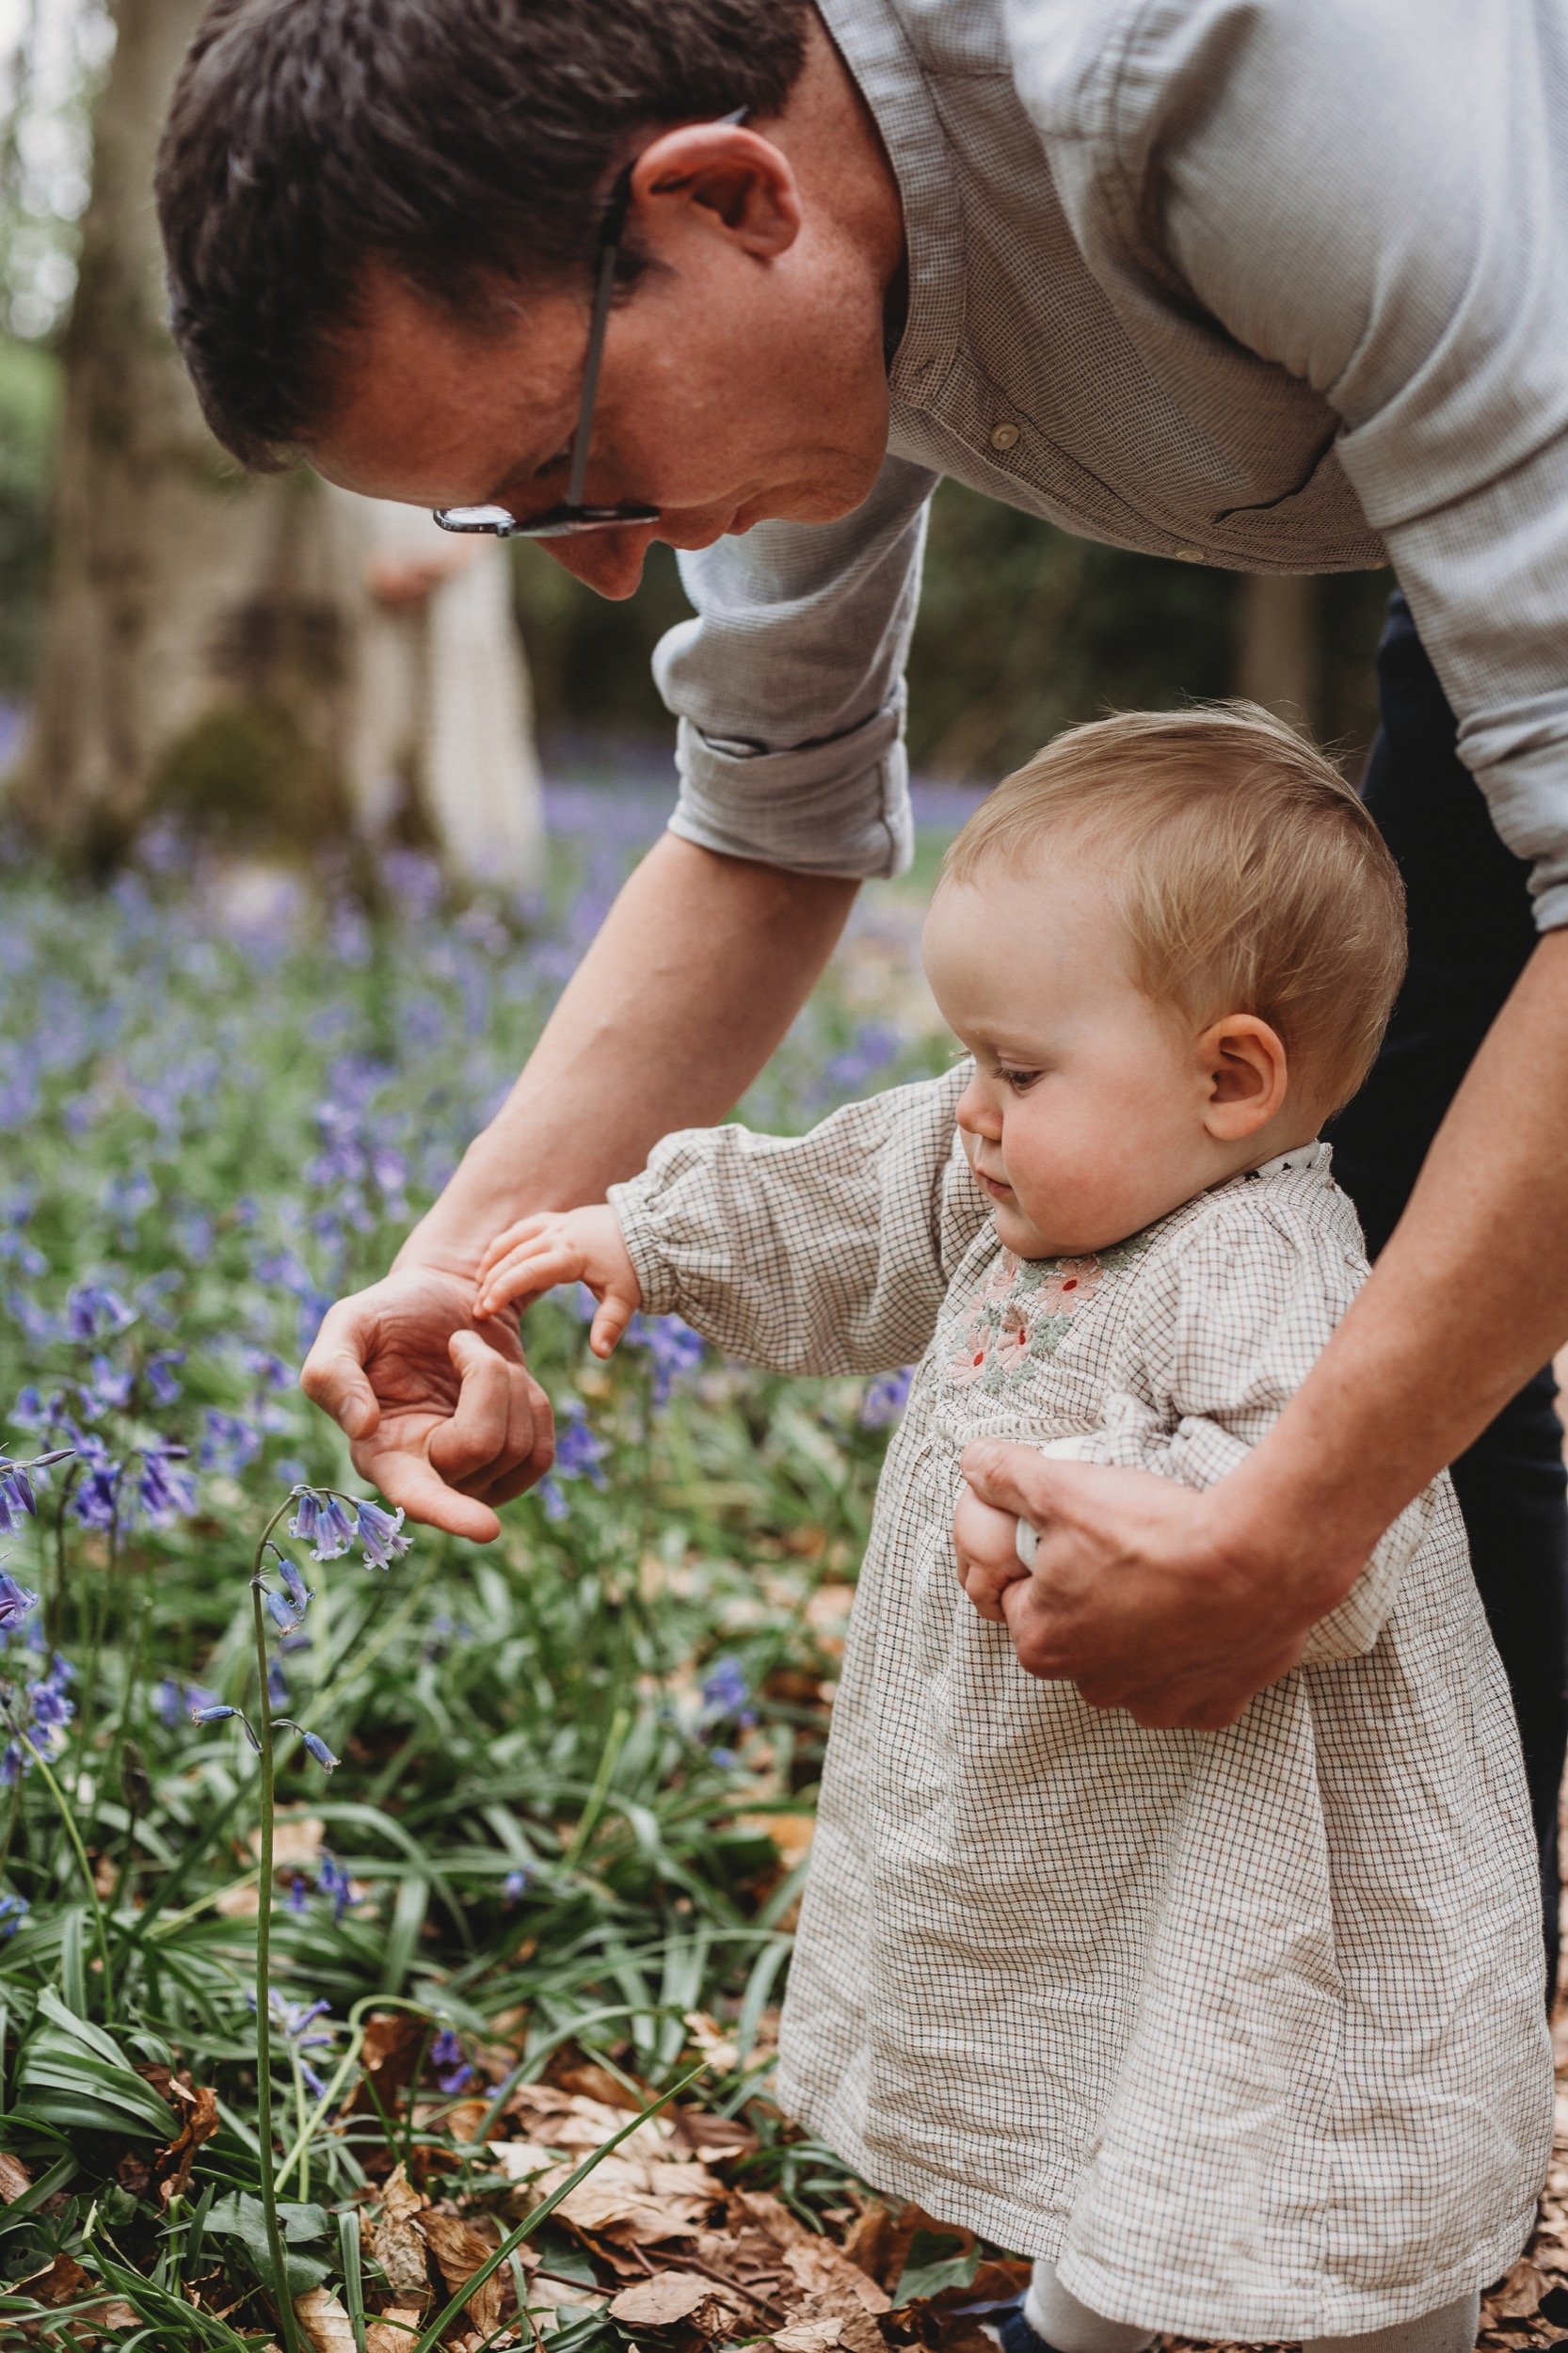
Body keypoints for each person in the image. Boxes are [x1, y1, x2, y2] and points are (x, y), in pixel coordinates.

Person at [153, 0, 1568, 1954]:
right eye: (519, 522)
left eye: (566, 471)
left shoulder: (1227, 66)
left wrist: (1292, 1517)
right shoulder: (787, 252)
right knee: (1383, 1211)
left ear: (723, 196)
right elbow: (765, 817)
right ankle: (1339, 2090)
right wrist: (462, 1264)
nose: (594, 569)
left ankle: (1385, 2126)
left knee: (1394, 1281)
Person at [464, 708, 1555, 2353]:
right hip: (1090, 1803)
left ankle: (1400, 2330)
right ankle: (1076, 2311)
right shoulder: (1009, 1168)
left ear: (1229, 1076)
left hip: (1263, 1844)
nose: (966, 1109)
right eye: (968, 1054)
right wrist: (645, 1233)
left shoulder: (1264, 1271)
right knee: (1109, 2056)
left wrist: (1120, 1516)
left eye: (1016, 1068)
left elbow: (1338, 1562)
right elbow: (838, 1195)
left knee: (1293, 2115)